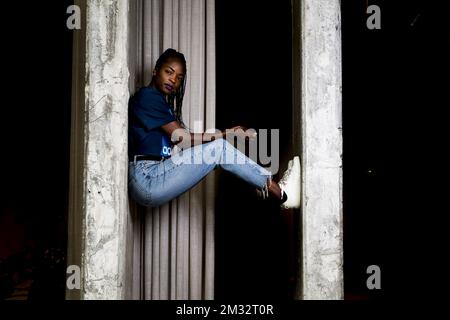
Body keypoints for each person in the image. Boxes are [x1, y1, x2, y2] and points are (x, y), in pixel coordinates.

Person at [128, 48, 300, 209]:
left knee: (217, 150)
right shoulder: (148, 97)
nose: (173, 80)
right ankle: (281, 193)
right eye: (169, 72)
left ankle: (260, 183)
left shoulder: (159, 103)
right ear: (155, 70)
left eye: (179, 77)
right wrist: (228, 133)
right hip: (147, 177)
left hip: (151, 174)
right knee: (218, 149)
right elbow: (184, 139)